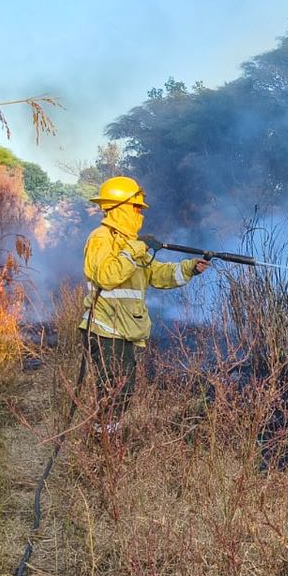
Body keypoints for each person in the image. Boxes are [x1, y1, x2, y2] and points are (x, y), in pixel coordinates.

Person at [79, 176, 208, 429]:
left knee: (121, 391)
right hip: (105, 328)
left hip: (123, 329)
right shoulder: (101, 238)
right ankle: (101, 446)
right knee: (114, 392)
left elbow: (157, 274)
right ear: (120, 207)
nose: (140, 214)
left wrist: (191, 268)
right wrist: (136, 249)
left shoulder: (130, 244)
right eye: (136, 208)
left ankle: (106, 440)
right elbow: (106, 276)